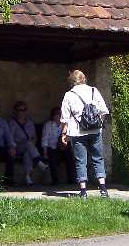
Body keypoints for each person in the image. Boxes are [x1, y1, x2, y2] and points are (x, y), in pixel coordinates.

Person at [60, 70, 110, 199]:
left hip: (77, 132)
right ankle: (103, 189)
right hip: (95, 131)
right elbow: (104, 111)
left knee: (81, 161)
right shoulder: (94, 90)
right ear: (84, 79)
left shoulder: (69, 95)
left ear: (72, 81)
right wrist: (98, 124)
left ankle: (83, 191)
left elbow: (65, 117)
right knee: (98, 158)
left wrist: (64, 133)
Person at [8, 100, 49, 186]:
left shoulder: (29, 122)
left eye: (24, 110)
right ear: (16, 111)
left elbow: (34, 137)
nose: (22, 112)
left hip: (30, 147)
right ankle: (39, 161)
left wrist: (33, 142)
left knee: (27, 153)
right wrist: (12, 147)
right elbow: (10, 137)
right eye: (20, 110)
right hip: (17, 147)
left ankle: (28, 177)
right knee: (28, 144)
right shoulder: (12, 123)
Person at [40, 106, 75, 185]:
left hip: (64, 148)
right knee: (52, 159)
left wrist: (72, 150)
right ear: (53, 115)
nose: (59, 116)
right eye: (57, 114)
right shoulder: (48, 125)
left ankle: (71, 179)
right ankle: (55, 180)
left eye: (60, 114)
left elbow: (70, 138)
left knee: (69, 157)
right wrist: (45, 153)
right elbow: (45, 139)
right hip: (52, 148)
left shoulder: (66, 124)